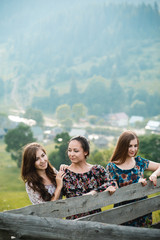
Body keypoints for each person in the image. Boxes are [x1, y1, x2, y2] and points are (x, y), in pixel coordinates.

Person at [106, 130, 160, 227]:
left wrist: (154, 175)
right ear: (122, 146)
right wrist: (136, 183)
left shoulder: (139, 161)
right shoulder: (112, 166)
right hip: (123, 212)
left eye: (135, 146)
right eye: (130, 146)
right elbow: (115, 191)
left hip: (143, 210)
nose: (133, 149)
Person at [62, 135, 117, 219]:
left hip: (96, 220)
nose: (71, 154)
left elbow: (112, 182)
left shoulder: (97, 170)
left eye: (76, 151)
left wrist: (95, 191)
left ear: (86, 152)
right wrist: (100, 190)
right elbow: (78, 198)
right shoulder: (65, 174)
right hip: (74, 223)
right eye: (69, 150)